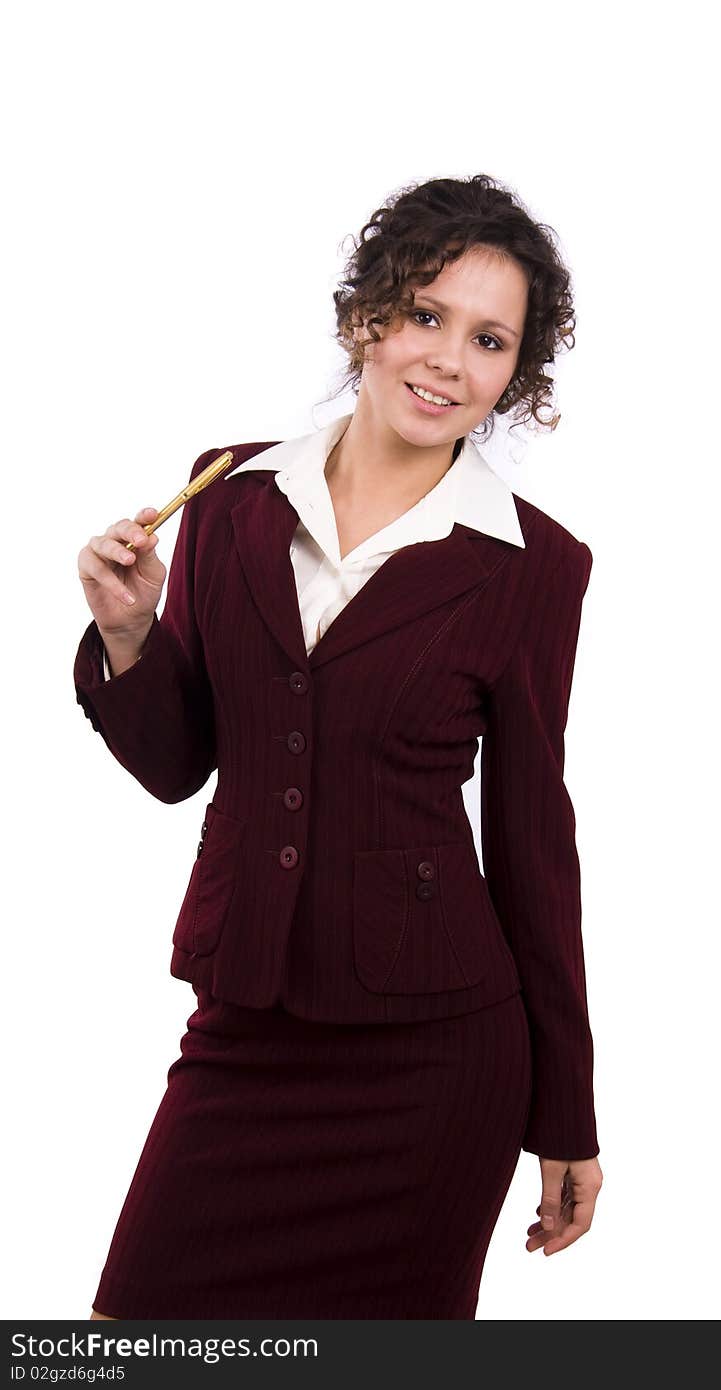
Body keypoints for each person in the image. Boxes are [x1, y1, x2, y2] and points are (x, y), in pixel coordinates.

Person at [74, 173, 603, 1320]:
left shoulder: (533, 568)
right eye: (425, 315)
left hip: (435, 1064)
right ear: (365, 315)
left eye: (489, 339)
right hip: (246, 1026)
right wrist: (128, 636)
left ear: (516, 373)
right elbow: (182, 765)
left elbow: (530, 843)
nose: (448, 361)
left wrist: (566, 1111)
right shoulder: (228, 500)